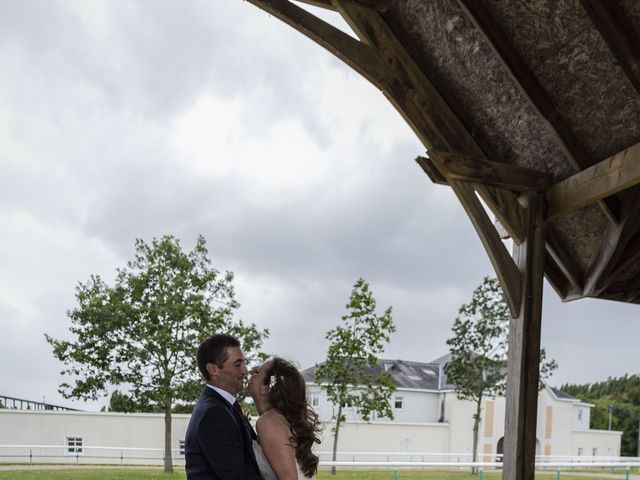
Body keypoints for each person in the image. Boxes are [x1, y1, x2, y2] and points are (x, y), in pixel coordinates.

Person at [185, 333, 263, 480]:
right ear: (213, 369)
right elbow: (238, 476)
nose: (245, 370)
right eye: (238, 365)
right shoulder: (214, 414)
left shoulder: (222, 408)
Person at [247, 357, 322, 480]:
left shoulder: (269, 422)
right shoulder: (277, 419)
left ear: (266, 388)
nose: (250, 373)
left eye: (256, 372)